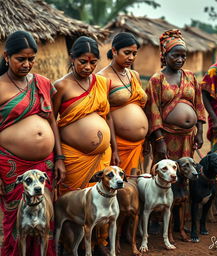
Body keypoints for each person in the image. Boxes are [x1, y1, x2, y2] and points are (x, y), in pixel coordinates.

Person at [0, 31, 65, 256]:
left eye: (31, 59)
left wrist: (59, 157)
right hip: (11, 164)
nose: (27, 64)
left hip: (44, 164)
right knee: (16, 218)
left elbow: (52, 122)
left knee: (44, 216)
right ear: (7, 56)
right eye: (21, 59)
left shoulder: (43, 83)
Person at [52, 36, 116, 255]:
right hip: (72, 157)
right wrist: (58, 158)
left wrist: (114, 148)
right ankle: (71, 247)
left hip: (102, 156)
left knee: (103, 199)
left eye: (93, 62)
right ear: (72, 59)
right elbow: (52, 121)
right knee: (71, 202)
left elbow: (107, 117)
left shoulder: (102, 82)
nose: (88, 67)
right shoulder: (61, 85)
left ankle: (100, 244)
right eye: (82, 62)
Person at [145, 29, 206, 162]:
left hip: (188, 137)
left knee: (185, 173)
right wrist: (159, 140)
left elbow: (199, 105)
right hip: (166, 136)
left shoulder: (190, 76)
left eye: (183, 56)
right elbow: (153, 111)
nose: (180, 59)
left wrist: (199, 132)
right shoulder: (157, 79)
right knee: (166, 175)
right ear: (165, 55)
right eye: (176, 55)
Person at [98, 32, 148, 175]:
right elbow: (105, 115)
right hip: (119, 145)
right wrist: (113, 148)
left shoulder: (134, 75)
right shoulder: (102, 78)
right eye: (127, 53)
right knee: (120, 188)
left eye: (134, 53)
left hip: (139, 144)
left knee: (137, 188)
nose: (131, 58)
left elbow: (140, 107)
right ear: (114, 51)